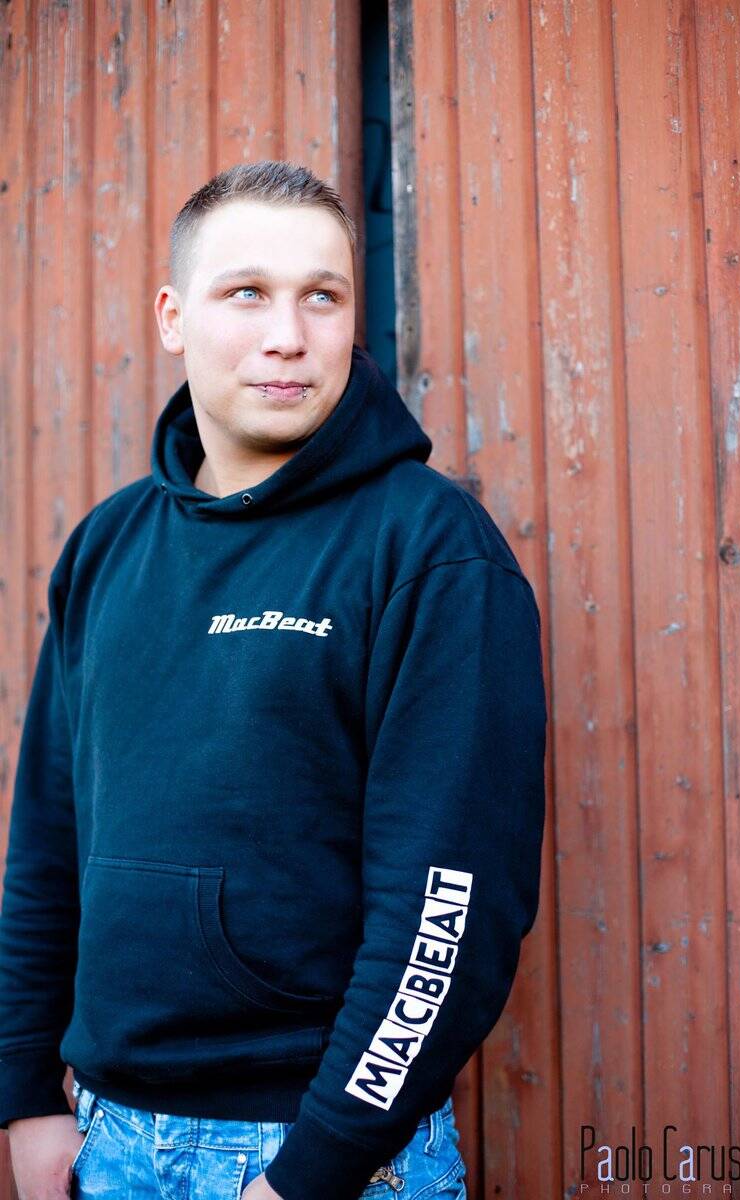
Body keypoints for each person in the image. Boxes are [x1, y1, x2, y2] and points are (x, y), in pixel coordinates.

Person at [0, 160, 547, 1200]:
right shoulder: (108, 548)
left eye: (321, 297)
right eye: (246, 292)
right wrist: (25, 1093)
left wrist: (316, 1165)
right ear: (173, 317)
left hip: (321, 1155)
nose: (288, 335)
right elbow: (46, 847)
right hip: (102, 1141)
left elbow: (449, 911)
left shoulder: (428, 551)